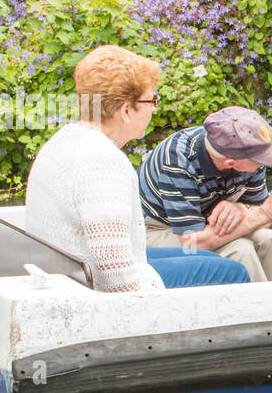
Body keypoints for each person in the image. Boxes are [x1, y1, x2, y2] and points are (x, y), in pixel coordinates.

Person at [26, 44, 248, 291]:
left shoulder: (62, 141)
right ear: (126, 110)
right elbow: (116, 276)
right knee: (232, 272)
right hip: (90, 290)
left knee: (209, 260)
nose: (155, 107)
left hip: (71, 274)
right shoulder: (103, 163)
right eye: (151, 99)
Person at [139, 106, 272, 282]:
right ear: (231, 163)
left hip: (206, 221)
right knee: (240, 250)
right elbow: (192, 242)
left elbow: (259, 217)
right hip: (159, 228)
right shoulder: (177, 163)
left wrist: (242, 208)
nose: (265, 164)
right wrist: (262, 214)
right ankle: (256, 308)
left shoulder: (250, 152)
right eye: (261, 160)